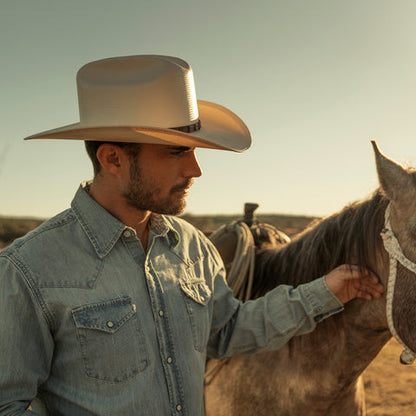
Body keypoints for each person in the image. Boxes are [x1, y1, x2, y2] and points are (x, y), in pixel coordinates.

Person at [0, 55, 383, 416]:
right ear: (113, 159)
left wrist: (326, 291)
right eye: (176, 153)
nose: (195, 170)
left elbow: (227, 331)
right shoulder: (29, 270)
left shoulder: (192, 246)